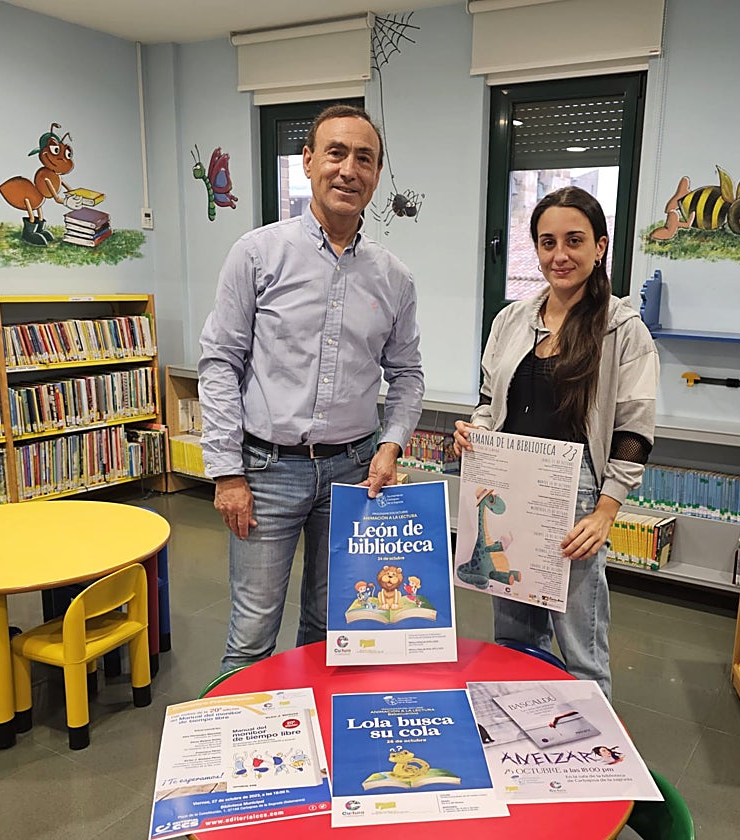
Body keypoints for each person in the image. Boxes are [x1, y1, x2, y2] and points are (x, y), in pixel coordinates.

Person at [199, 104, 424, 673]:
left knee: (333, 628)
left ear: (376, 175)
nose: (349, 169)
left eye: (365, 159)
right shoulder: (256, 254)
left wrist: (391, 445)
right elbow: (220, 360)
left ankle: (317, 747)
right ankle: (245, 755)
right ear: (308, 162)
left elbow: (408, 374)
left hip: (353, 475)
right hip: (266, 471)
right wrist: (227, 473)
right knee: (252, 633)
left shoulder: (394, 277)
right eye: (337, 153)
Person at [454, 186, 659, 698]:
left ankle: (598, 764)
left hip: (576, 499)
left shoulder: (623, 329)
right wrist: (477, 430)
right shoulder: (511, 320)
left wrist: (606, 512)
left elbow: (635, 430)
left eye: (574, 240)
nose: (559, 255)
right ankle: (520, 751)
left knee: (581, 651)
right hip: (507, 491)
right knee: (513, 641)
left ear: (600, 247)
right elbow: (488, 399)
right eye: (547, 242)